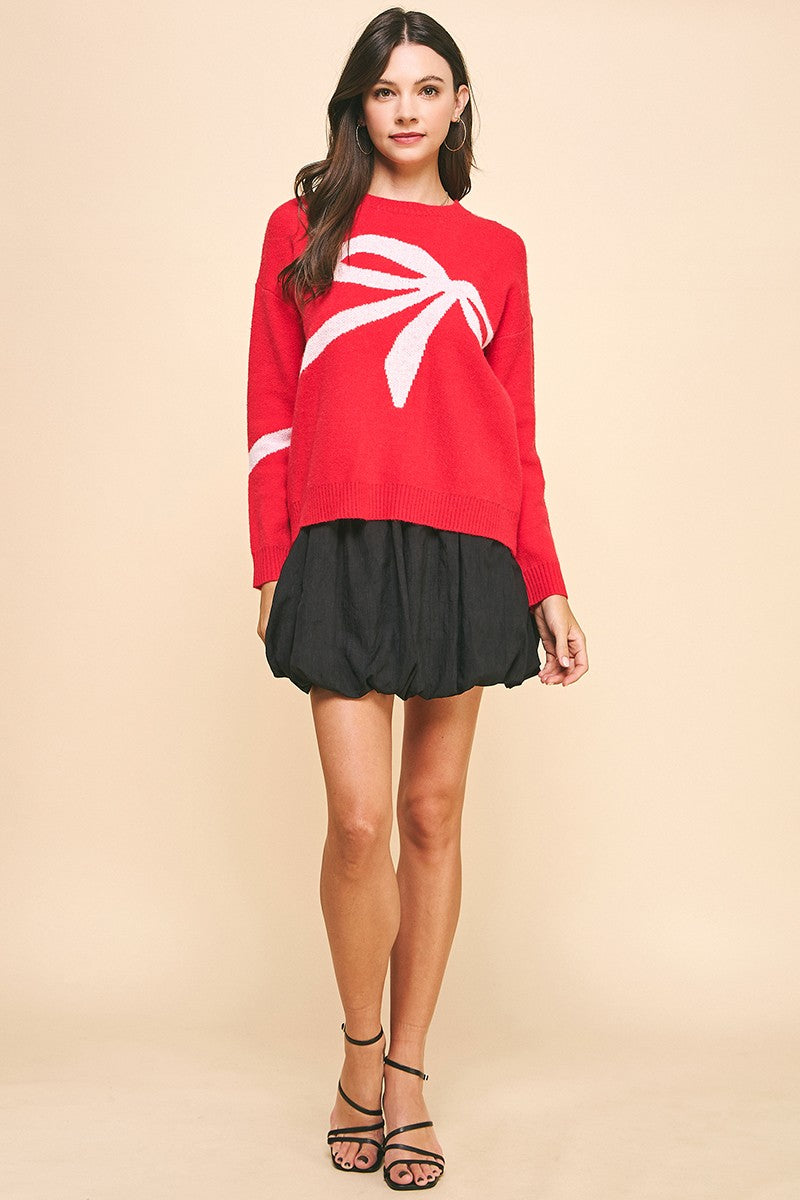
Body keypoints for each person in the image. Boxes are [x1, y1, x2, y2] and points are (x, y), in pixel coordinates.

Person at [246, 7, 588, 1190]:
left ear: (457, 104)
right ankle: (355, 1056)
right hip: (337, 539)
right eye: (385, 88)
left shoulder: (497, 252)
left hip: (464, 544)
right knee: (358, 821)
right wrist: (271, 559)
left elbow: (515, 433)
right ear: (359, 103)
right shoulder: (303, 229)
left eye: (427, 87)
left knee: (431, 816)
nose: (405, 108)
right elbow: (269, 403)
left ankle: (406, 1080)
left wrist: (545, 582)